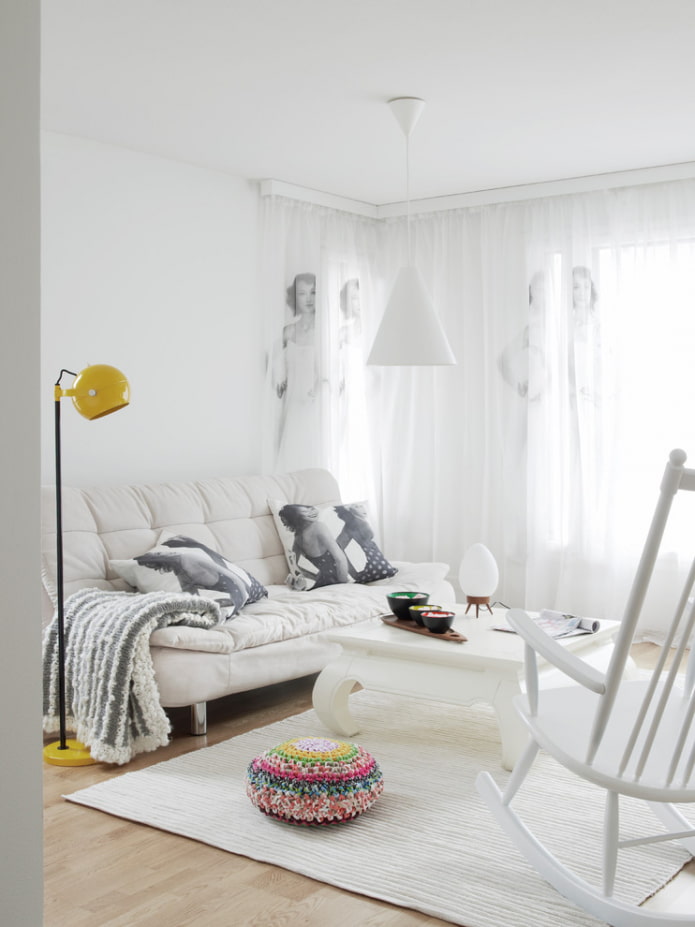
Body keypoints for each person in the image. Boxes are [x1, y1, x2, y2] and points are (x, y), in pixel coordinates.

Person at [278, 504, 349, 588]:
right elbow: (340, 559)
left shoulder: (298, 538)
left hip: (322, 583)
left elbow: (294, 567)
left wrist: (315, 578)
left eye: (284, 521)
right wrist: (344, 584)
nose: (283, 524)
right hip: (338, 580)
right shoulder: (318, 527)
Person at [334, 503, 397, 583]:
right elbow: (338, 547)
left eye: (361, 506)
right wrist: (353, 573)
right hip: (378, 565)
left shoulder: (352, 524)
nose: (362, 509)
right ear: (350, 510)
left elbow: (338, 547)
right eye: (356, 506)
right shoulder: (356, 523)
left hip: (377, 564)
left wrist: (353, 573)